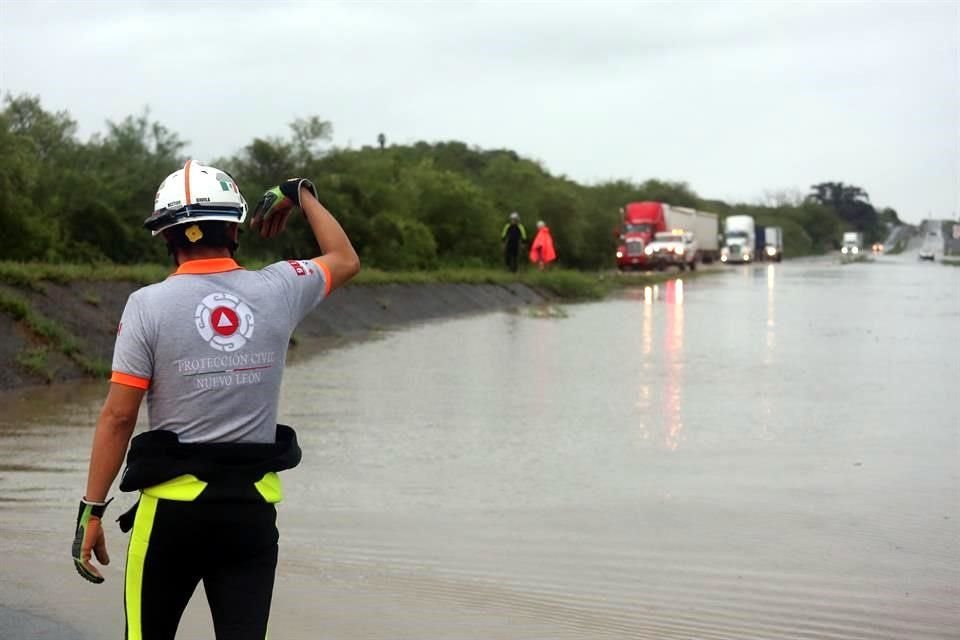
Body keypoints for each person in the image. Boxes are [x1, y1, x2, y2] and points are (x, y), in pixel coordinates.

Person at [70, 160, 360, 639]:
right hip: (251, 514)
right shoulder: (280, 287)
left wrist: (92, 511)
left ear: (166, 236)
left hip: (171, 516)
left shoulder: (147, 305)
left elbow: (119, 418)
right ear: (236, 227)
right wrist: (300, 194)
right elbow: (344, 259)